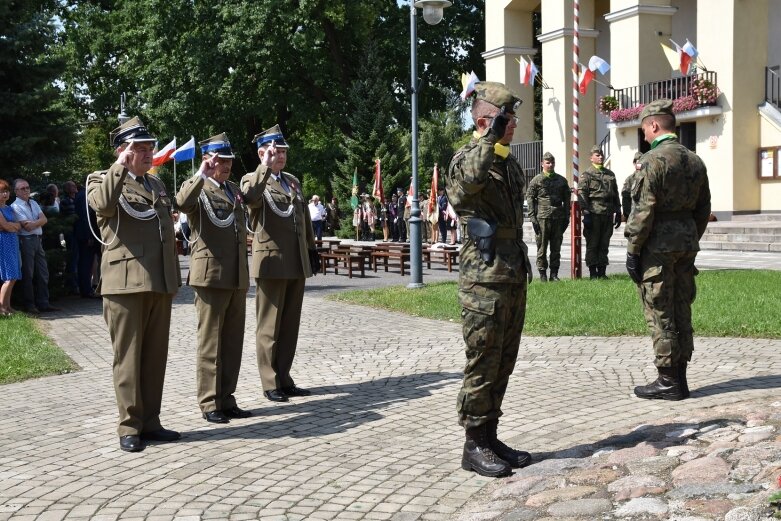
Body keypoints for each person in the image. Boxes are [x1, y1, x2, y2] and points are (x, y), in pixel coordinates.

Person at [446, 81, 533, 478]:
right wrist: (488, 140)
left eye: (512, 118)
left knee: (504, 359)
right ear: (485, 120)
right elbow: (463, 193)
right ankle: (473, 443)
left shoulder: (508, 162)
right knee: (483, 358)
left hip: (511, 271)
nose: (513, 124)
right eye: (506, 118)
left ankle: (490, 434)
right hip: (483, 276)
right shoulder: (469, 156)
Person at [87, 116, 182, 452]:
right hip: (124, 283)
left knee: (155, 356)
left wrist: (173, 277)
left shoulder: (155, 185)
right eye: (139, 148)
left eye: (149, 148)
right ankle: (129, 425)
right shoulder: (101, 179)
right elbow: (102, 205)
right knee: (127, 357)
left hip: (158, 280)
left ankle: (151, 422)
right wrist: (119, 167)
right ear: (122, 150)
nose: (146, 153)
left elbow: (165, 234)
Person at [625, 99, 711, 401]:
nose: (644, 136)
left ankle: (668, 380)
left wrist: (633, 250)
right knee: (681, 307)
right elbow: (704, 208)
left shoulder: (653, 161)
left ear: (654, 125)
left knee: (660, 309)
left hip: (658, 246)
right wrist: (690, 237)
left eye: (644, 131)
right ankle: (681, 378)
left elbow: (643, 210)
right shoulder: (695, 160)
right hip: (686, 244)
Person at [175, 133, 251, 424]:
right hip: (210, 275)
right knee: (210, 342)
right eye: (221, 160)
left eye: (229, 159)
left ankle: (226, 397)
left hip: (235, 275)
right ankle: (209, 401)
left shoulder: (233, 189)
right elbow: (181, 202)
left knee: (232, 342)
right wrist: (200, 174)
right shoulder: (199, 187)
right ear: (208, 159)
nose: (227, 164)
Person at [241, 124, 318, 403]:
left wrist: (311, 248)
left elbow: (303, 217)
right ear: (262, 153)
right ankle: (269, 381)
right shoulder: (252, 178)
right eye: (275, 151)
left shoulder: (292, 181)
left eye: (283, 151)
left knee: (289, 325)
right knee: (269, 326)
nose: (281, 156)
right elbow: (251, 198)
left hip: (295, 261)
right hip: (271, 262)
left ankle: (284, 377)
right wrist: (265, 167)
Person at [11, 178, 59, 314]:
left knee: (43, 272)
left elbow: (44, 219)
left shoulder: (33, 202)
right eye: (22, 188)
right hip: (26, 241)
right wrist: (37, 222)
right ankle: (30, 305)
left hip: (38, 240)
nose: (26, 190)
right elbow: (27, 227)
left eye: (27, 187)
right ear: (16, 191)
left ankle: (44, 303)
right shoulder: (15, 207)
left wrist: (35, 222)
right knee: (28, 274)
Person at [526, 152, 571, 282]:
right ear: (542, 164)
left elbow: (567, 200)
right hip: (542, 218)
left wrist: (567, 216)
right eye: (547, 162)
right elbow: (529, 198)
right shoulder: (537, 180)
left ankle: (554, 274)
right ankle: (542, 274)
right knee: (542, 248)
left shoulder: (562, 181)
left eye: (552, 162)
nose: (550, 165)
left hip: (558, 218)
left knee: (556, 247)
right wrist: (532, 218)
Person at [578, 145, 621, 279]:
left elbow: (615, 193)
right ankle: (593, 273)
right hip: (594, 213)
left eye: (601, 154)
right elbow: (582, 194)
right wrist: (586, 213)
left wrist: (618, 210)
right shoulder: (587, 175)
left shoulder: (610, 174)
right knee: (593, 243)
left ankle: (602, 272)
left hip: (608, 213)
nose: (600, 157)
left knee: (604, 243)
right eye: (597, 155)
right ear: (591, 158)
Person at [73, 184, 100, 298]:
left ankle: (86, 289)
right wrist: (89, 236)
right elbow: (86, 217)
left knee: (85, 262)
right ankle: (87, 290)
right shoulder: (85, 195)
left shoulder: (80, 195)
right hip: (88, 235)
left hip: (85, 233)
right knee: (86, 263)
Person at [0, 179, 22, 316]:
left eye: (6, 191)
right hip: (3, 243)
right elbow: (6, 226)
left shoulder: (9, 208)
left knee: (13, 276)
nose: (4, 194)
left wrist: (11, 227)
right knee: (8, 276)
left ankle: (8, 307)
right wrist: (11, 226)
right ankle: (2, 308)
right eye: (1, 192)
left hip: (12, 242)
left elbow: (18, 226)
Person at [621, 152, 645, 221]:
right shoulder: (630, 179)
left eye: (642, 162)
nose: (640, 164)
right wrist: (628, 215)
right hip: (634, 216)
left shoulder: (650, 177)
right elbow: (625, 198)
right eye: (638, 162)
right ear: (634, 163)